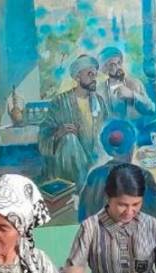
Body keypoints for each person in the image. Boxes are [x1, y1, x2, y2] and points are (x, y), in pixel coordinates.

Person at [64, 163, 156, 273]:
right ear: (108, 198)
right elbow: (73, 271)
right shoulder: (90, 227)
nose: (129, 211)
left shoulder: (152, 225)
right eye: (122, 205)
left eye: (136, 204)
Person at [78, 119, 156, 222]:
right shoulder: (140, 176)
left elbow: (82, 215)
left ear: (107, 148)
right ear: (133, 146)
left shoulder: (94, 176)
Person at [39, 54, 109, 186]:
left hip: (96, 161)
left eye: (95, 74)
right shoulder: (60, 102)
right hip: (70, 165)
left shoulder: (99, 102)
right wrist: (59, 134)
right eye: (89, 74)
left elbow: (107, 131)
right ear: (77, 77)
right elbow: (43, 138)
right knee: (69, 139)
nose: (94, 78)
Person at [97, 46, 156, 125]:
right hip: (111, 130)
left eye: (119, 62)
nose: (118, 67)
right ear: (105, 69)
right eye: (112, 65)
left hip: (134, 129)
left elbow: (151, 109)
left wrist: (132, 95)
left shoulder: (135, 84)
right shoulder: (99, 90)